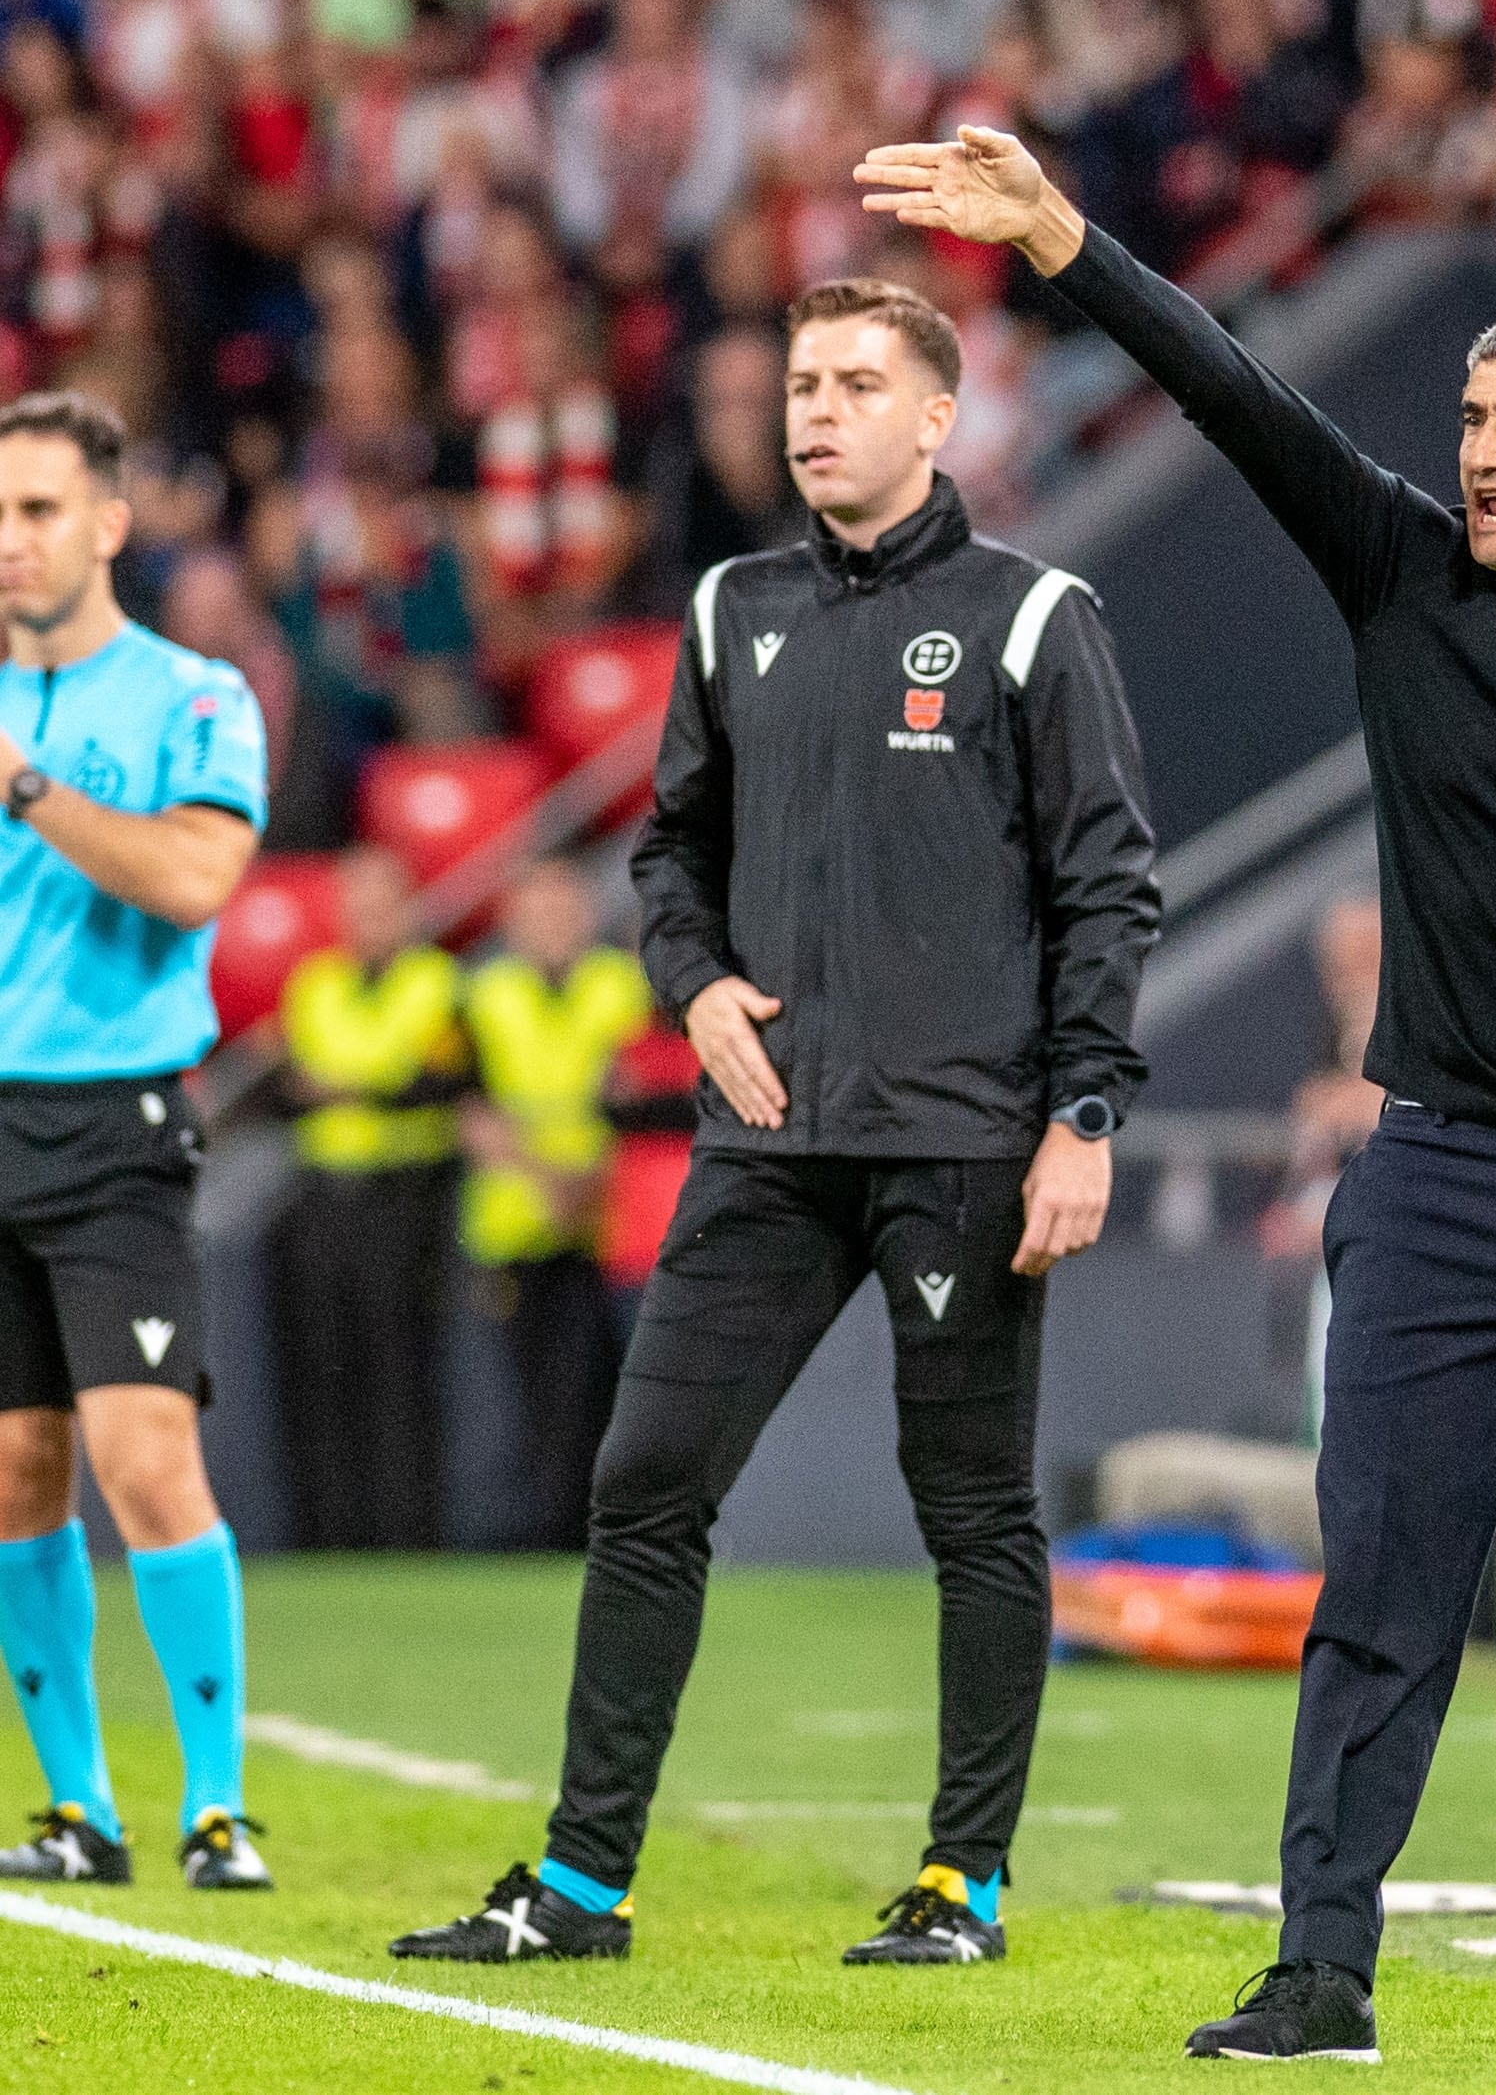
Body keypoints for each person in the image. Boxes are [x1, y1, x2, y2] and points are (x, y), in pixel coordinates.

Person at [855, 125, 1496, 2055]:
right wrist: (1070, 239)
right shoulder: (1411, 578)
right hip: (1430, 1184)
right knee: (1379, 1603)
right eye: (1474, 413)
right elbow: (1233, 390)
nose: (1482, 448)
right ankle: (1323, 1966)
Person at [390, 276, 1160, 1970]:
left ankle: (967, 1881)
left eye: (857, 383)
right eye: (804, 382)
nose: (817, 409)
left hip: (966, 1142)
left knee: (970, 1507)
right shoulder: (733, 606)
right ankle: (580, 1886)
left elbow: (1108, 884)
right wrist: (696, 986)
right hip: (767, 1138)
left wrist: (1083, 1110)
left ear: (937, 417)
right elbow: (668, 849)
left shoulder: (1036, 617)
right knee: (645, 1476)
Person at [0, 388, 273, 1890]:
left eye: (37, 510)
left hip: (114, 1121)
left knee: (145, 1455)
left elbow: (189, 879)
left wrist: (26, 787)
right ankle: (79, 1808)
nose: (9, 542)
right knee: (13, 1468)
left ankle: (218, 1804)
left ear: (108, 523)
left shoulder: (191, 697)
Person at [267, 842, 467, 1552]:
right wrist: (375, 1082)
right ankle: (330, 1535)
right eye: (358, 902)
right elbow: (287, 1086)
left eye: (384, 901)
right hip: (325, 1193)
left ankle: (409, 1535)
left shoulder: (440, 982)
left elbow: (437, 1082)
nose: (370, 916)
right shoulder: (315, 981)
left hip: (406, 1194)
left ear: (409, 906)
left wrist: (347, 1086)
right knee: (325, 1369)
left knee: (401, 1371)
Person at [458, 858, 653, 1552]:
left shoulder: (621, 987)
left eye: (565, 910)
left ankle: (603, 1527)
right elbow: (470, 1109)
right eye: (537, 913)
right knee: (534, 1390)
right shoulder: (483, 995)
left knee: (611, 1384)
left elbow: (635, 1089)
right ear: (511, 923)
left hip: (611, 1220)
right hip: (516, 1222)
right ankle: (548, 1530)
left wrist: (587, 1183)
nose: (552, 926)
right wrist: (548, 1182)